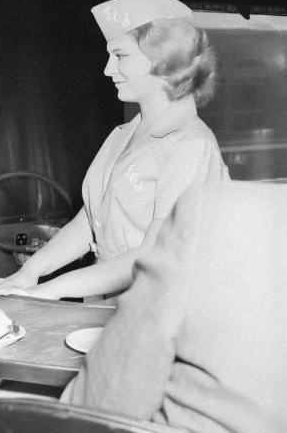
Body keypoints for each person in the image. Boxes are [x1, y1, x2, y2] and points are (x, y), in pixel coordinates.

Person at [0, 0, 229, 301]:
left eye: (120, 56)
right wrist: (30, 273)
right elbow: (90, 223)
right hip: (109, 304)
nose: (108, 70)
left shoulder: (191, 145)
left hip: (157, 312)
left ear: (163, 60)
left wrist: (51, 291)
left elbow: (153, 255)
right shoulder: (123, 135)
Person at [60, 180, 287, 432]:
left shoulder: (215, 207)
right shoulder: (118, 141)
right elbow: (89, 218)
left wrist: (48, 288)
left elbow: (104, 400)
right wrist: (35, 276)